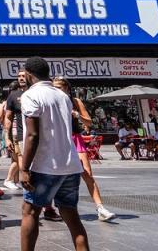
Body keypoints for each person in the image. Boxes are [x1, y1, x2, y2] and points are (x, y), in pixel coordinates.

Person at [19, 57, 88, 251]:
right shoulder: (63, 96)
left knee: (30, 212)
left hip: (44, 165)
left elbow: (32, 134)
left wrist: (25, 168)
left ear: (29, 74)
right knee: (73, 218)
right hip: (70, 164)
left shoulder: (30, 96)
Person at [52, 77, 115, 222]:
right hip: (58, 140)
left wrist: (77, 115)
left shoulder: (75, 102)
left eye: (59, 87)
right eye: (54, 87)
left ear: (67, 88)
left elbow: (88, 122)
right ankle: (51, 208)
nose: (56, 90)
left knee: (87, 173)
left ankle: (100, 208)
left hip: (75, 139)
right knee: (55, 174)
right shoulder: (51, 102)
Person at [0, 80, 24, 191]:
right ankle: (9, 180)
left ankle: (15, 180)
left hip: (14, 131)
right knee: (18, 158)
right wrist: (6, 134)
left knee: (16, 158)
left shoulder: (13, 100)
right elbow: (2, 116)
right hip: (14, 131)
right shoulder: (7, 102)